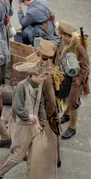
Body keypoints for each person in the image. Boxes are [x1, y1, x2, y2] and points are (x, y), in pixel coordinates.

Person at [0, 62, 48, 179]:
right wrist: (29, 117)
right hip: (22, 125)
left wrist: (42, 121)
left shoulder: (39, 85)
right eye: (43, 76)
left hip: (34, 125)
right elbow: (18, 108)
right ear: (33, 76)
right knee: (18, 156)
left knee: (34, 156)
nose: (45, 79)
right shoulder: (22, 87)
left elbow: (41, 104)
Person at [54, 21, 90, 140]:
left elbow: (86, 66)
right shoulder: (63, 42)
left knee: (73, 102)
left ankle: (72, 127)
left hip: (75, 78)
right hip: (64, 75)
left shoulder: (78, 47)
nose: (60, 36)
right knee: (65, 97)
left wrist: (80, 80)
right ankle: (66, 114)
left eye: (62, 34)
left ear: (67, 35)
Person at [36, 38, 62, 169]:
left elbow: (50, 100)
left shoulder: (46, 75)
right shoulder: (51, 64)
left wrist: (47, 116)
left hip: (49, 110)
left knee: (50, 134)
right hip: (52, 107)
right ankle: (56, 159)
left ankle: (54, 160)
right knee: (54, 134)